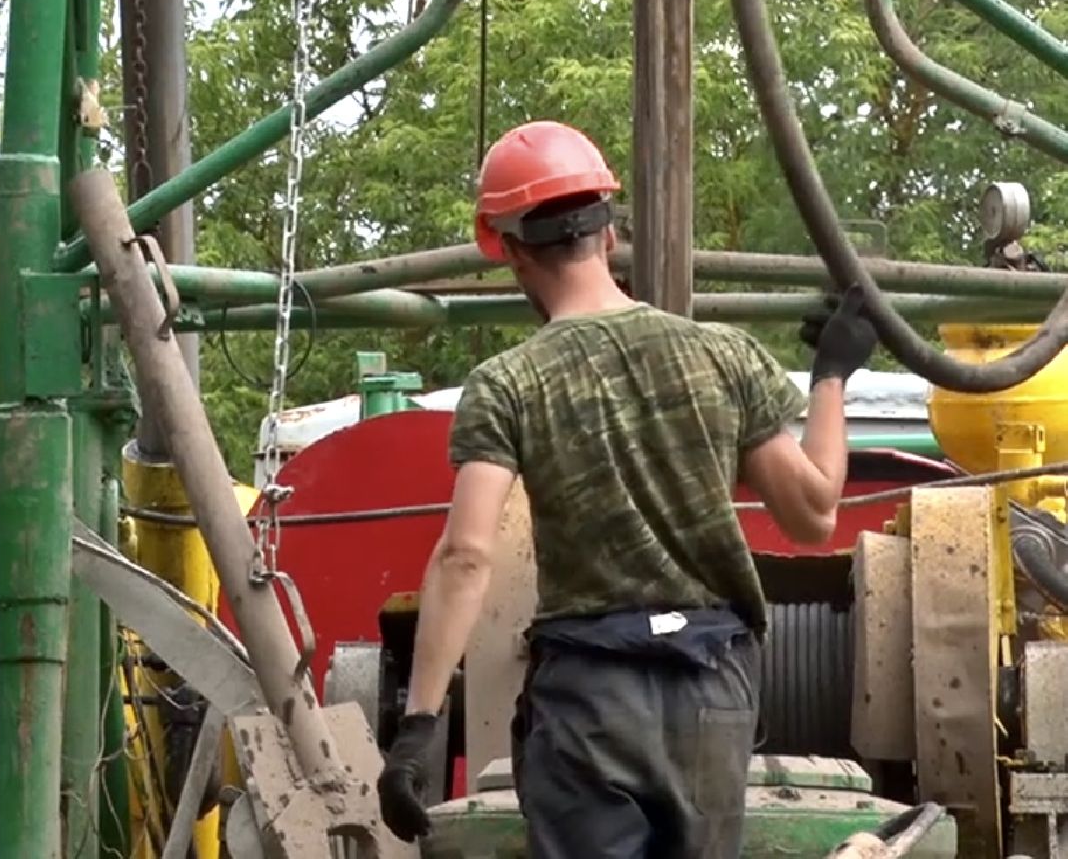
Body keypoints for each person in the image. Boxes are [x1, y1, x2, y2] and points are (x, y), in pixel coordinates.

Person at [375, 121, 877, 857]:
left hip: (589, 700)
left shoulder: (508, 384)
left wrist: (419, 727)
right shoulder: (721, 355)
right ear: (607, 236)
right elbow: (813, 516)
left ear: (511, 252)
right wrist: (831, 375)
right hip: (713, 691)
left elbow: (466, 559)